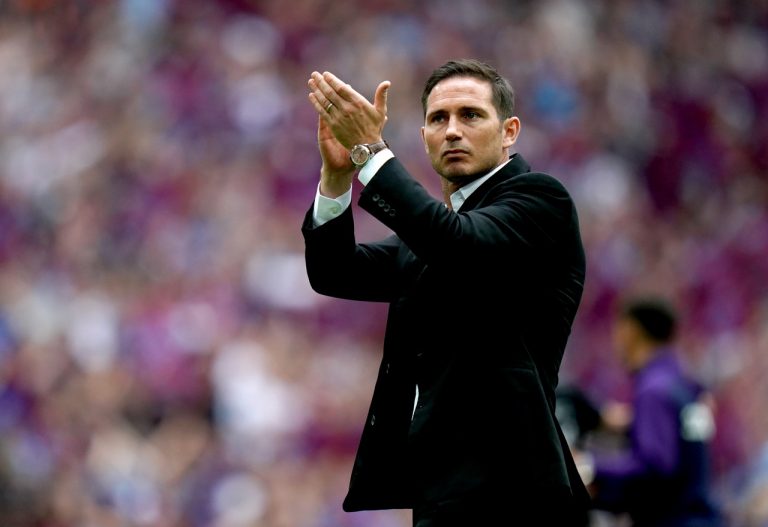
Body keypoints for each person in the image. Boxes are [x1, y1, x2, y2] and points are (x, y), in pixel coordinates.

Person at [302, 59, 591, 526]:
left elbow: (459, 244)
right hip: (442, 489)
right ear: (424, 138)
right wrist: (337, 178)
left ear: (509, 131)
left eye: (470, 115)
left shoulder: (540, 201)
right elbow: (335, 272)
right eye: (439, 119)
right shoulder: (436, 235)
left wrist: (371, 153)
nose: (453, 130)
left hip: (513, 489)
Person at [580, 297, 724, 527]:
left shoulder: (654, 391)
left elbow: (656, 465)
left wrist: (588, 467)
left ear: (631, 331)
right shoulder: (687, 386)